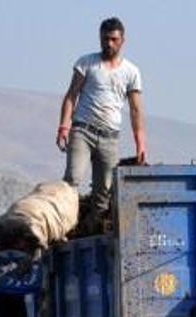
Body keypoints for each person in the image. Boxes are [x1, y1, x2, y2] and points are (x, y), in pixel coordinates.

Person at [57, 16, 146, 214]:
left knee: (104, 191)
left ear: (122, 40)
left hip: (109, 137)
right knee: (73, 178)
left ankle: (94, 229)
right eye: (105, 39)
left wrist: (140, 143)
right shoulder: (87, 63)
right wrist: (64, 126)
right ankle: (63, 221)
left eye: (114, 39)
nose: (109, 43)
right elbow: (72, 95)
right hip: (83, 130)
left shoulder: (131, 72)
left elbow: (135, 110)